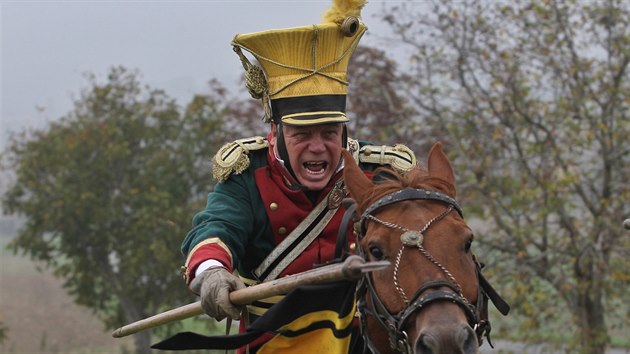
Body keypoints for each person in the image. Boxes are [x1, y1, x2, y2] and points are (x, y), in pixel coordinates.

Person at [179, 0, 416, 352]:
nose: (318, 147)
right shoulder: (248, 174)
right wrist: (212, 273)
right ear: (275, 134)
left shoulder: (379, 172)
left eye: (330, 133)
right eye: (303, 135)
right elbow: (215, 229)